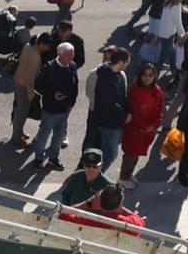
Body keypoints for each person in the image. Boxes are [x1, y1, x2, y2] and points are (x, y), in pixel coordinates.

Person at [27, 41, 81, 173]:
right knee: (43, 135)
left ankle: (53, 158)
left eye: (72, 55)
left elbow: (75, 86)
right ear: (60, 55)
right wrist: (52, 94)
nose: (72, 58)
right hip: (50, 110)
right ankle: (38, 159)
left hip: (64, 110)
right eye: (69, 55)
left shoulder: (72, 66)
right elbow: (38, 86)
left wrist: (72, 103)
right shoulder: (49, 68)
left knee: (58, 136)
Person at [117, 61, 167, 186]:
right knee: (130, 154)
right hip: (135, 130)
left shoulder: (157, 90)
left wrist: (155, 124)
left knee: (137, 154)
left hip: (148, 131)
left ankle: (128, 174)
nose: (147, 78)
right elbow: (135, 114)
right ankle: (123, 177)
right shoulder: (135, 91)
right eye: (145, 75)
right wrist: (146, 127)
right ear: (140, 76)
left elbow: (161, 108)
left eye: (150, 75)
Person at [84, 43, 131, 172]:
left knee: (104, 151)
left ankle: (94, 174)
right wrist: (124, 115)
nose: (127, 65)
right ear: (121, 62)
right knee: (111, 153)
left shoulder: (119, 75)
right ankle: (96, 176)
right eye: (126, 62)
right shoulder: (104, 77)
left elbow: (123, 96)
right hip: (107, 122)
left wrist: (129, 111)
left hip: (113, 121)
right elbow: (109, 103)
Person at [10, 30, 50, 150]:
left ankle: (19, 132)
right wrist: (30, 93)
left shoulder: (29, 46)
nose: (48, 48)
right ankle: (17, 138)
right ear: (42, 43)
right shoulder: (35, 56)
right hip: (24, 85)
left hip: (18, 80)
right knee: (22, 112)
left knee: (19, 111)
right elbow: (29, 77)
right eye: (47, 46)